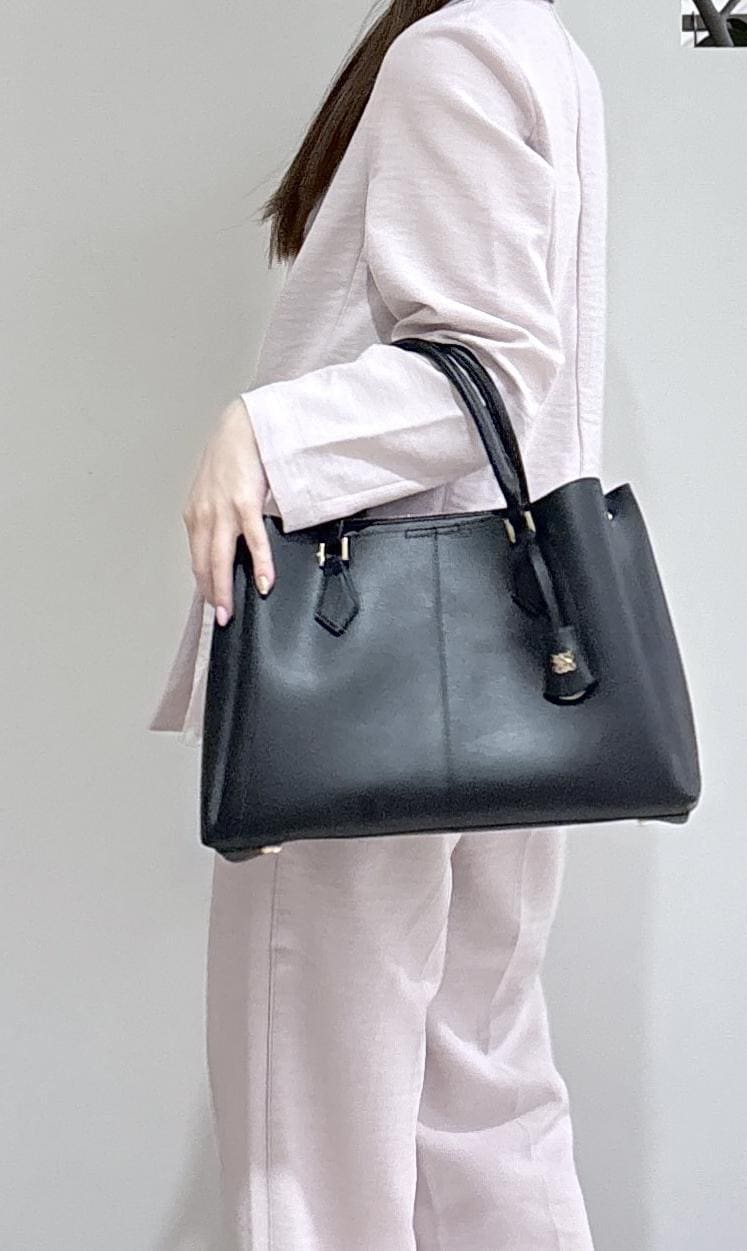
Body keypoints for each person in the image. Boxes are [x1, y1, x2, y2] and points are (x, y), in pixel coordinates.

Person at [148, 0, 606, 1246]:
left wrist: (265, 432)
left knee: (310, 1125)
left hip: (362, 678)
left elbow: (491, 366)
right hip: (511, 669)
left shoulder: (449, 52)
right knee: (483, 1101)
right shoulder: (540, 49)